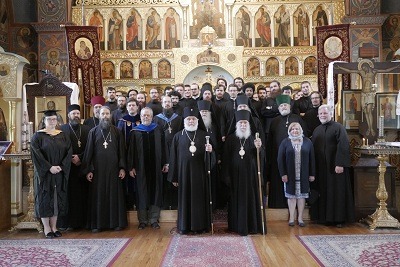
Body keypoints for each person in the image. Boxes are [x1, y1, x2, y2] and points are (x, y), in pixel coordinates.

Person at [167, 107, 214, 234]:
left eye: (193, 119)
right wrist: (174, 177)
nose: (191, 121)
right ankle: (184, 226)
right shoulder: (178, 136)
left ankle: (201, 226)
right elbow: (173, 158)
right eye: (189, 119)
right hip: (183, 175)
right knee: (185, 200)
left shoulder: (205, 136)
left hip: (200, 174)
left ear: (197, 121)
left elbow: (212, 158)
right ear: (184, 121)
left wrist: (210, 151)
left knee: (199, 200)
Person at [82, 106, 127, 232]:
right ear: (99, 115)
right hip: (98, 171)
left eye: (107, 114)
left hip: (114, 170)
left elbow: (122, 152)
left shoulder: (117, 132)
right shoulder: (93, 132)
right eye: (103, 114)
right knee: (98, 197)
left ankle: (116, 223)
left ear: (110, 115)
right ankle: (97, 224)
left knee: (114, 196)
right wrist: (89, 170)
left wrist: (122, 168)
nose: (105, 116)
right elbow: (88, 152)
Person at [311, 105, 355, 227]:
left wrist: (340, 163)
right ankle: (324, 218)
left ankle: (339, 219)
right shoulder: (317, 130)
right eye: (321, 114)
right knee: (324, 192)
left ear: (331, 113)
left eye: (325, 113)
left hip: (335, 168)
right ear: (318, 115)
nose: (323, 115)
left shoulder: (338, 127)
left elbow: (344, 146)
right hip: (322, 170)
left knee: (337, 193)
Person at [31, 110, 72, 238]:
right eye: (49, 119)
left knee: (56, 198)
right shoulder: (38, 136)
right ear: (44, 121)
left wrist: (61, 166)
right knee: (45, 198)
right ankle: (47, 228)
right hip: (45, 174)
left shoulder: (63, 135)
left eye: (54, 119)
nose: (52, 122)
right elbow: (36, 155)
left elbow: (69, 152)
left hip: (59, 171)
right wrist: (49, 167)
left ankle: (54, 227)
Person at [223, 110, 264, 236]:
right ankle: (236, 226)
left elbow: (259, 159)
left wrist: (259, 149)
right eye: (241, 123)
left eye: (245, 123)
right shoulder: (230, 139)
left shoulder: (254, 139)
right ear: (236, 124)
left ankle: (252, 225)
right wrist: (227, 176)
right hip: (235, 176)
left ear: (249, 124)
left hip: (250, 175)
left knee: (251, 199)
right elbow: (225, 159)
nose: (243, 125)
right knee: (236, 200)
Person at [267, 94, 307, 209]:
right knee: (278, 180)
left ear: (289, 106)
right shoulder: (274, 121)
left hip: (296, 157)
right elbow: (270, 141)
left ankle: (295, 206)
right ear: (278, 108)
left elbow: (304, 136)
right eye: (281, 106)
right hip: (277, 158)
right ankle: (278, 204)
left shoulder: (297, 118)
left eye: (285, 105)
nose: (283, 107)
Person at [128, 107, 166, 230]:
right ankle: (143, 220)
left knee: (156, 192)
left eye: (148, 115)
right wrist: (131, 167)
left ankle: (154, 219)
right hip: (140, 169)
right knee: (141, 192)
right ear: (141, 116)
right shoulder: (135, 131)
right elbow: (131, 151)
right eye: (144, 115)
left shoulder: (158, 129)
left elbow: (164, 147)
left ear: (152, 116)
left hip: (156, 168)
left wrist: (165, 163)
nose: (146, 117)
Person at [57, 105, 91, 231]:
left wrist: (80, 158)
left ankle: (83, 223)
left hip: (83, 167)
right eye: (73, 113)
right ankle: (68, 223)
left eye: (77, 113)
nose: (76, 115)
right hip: (68, 168)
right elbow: (59, 148)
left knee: (83, 195)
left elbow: (90, 147)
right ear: (68, 115)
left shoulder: (87, 130)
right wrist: (71, 158)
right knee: (69, 196)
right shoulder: (62, 129)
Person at [278, 122, 315, 227]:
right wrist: (283, 174)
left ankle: (300, 218)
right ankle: (291, 218)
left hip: (303, 174)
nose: (295, 131)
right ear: (289, 131)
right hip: (289, 174)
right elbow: (280, 159)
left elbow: (312, 159)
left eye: (297, 129)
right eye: (292, 129)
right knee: (291, 197)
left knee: (301, 196)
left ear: (301, 130)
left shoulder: (308, 142)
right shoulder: (285, 142)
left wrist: (312, 174)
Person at [153, 96, 182, 209]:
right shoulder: (156, 119)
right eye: (165, 102)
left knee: (175, 179)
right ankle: (164, 205)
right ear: (162, 104)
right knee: (163, 180)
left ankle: (175, 205)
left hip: (176, 152)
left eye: (169, 102)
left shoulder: (179, 119)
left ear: (172, 104)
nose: (167, 104)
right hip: (161, 151)